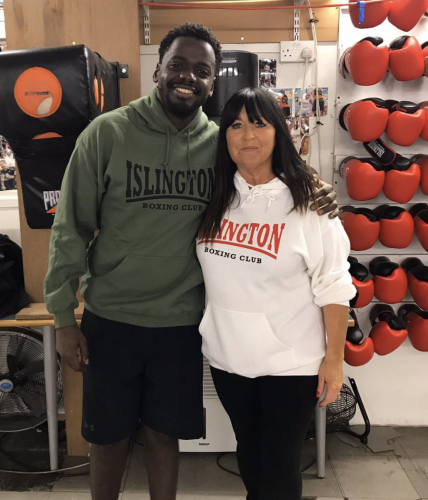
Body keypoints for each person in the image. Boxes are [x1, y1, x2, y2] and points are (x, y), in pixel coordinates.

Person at [44, 23, 338, 500]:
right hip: (110, 318)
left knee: (165, 434)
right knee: (107, 437)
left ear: (211, 81)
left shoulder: (217, 143)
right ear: (158, 69)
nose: (188, 76)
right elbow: (69, 229)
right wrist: (63, 319)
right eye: (177, 65)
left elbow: (263, 158)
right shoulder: (107, 133)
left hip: (181, 322)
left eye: (201, 70)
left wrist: (313, 184)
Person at [197, 87, 354, 500]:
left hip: (290, 364)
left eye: (259, 123)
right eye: (236, 124)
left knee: (281, 463)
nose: (247, 134)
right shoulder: (214, 194)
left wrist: (334, 361)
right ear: (224, 136)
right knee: (249, 453)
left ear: (277, 132)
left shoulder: (309, 202)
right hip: (227, 358)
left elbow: (335, 285)